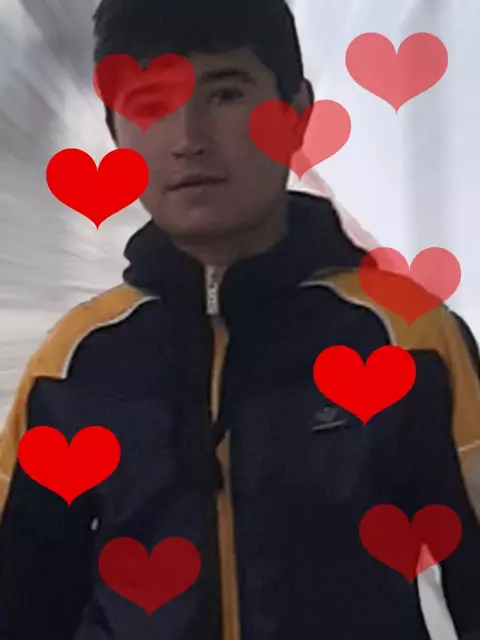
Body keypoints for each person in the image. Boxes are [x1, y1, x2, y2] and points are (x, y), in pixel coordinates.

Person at [0, 0, 480, 638]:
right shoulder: (73, 364)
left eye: (225, 94)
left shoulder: (407, 340)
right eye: (149, 105)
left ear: (296, 111)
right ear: (115, 132)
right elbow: (23, 596)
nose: (188, 138)